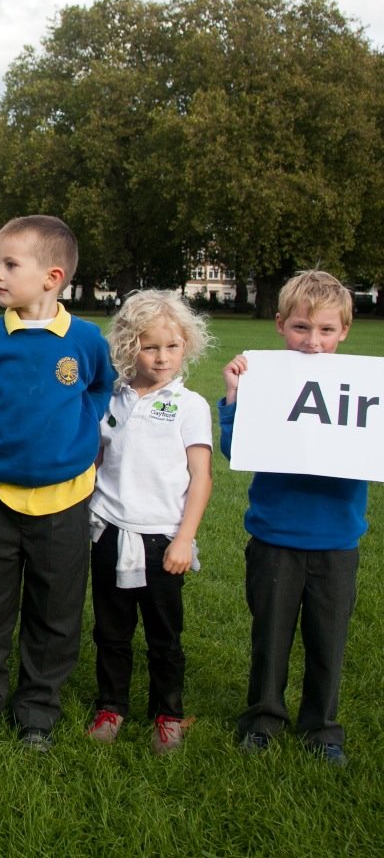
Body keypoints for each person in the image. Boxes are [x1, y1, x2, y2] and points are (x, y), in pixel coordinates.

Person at [0, 215, 114, 752]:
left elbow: (100, 389)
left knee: (55, 611)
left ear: (52, 276)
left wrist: (73, 439)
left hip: (66, 501)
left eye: (10, 264)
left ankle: (38, 711)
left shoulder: (85, 339)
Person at [220, 270, 368, 766]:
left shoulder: (360, 391)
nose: (314, 342)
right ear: (281, 324)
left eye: (326, 330)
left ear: (344, 330)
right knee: (271, 636)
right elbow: (235, 448)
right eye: (302, 328)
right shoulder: (265, 381)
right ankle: (263, 719)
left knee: (329, 641)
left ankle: (322, 728)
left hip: (337, 540)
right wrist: (234, 401)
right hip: (274, 535)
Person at [86, 290, 213, 754]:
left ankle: (167, 715)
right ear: (127, 346)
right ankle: (111, 706)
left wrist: (184, 539)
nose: (162, 357)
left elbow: (200, 477)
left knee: (164, 635)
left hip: (162, 539)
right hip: (108, 530)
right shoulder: (111, 398)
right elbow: (97, 459)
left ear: (187, 346)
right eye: (150, 346)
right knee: (110, 631)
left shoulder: (190, 405)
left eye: (172, 346)